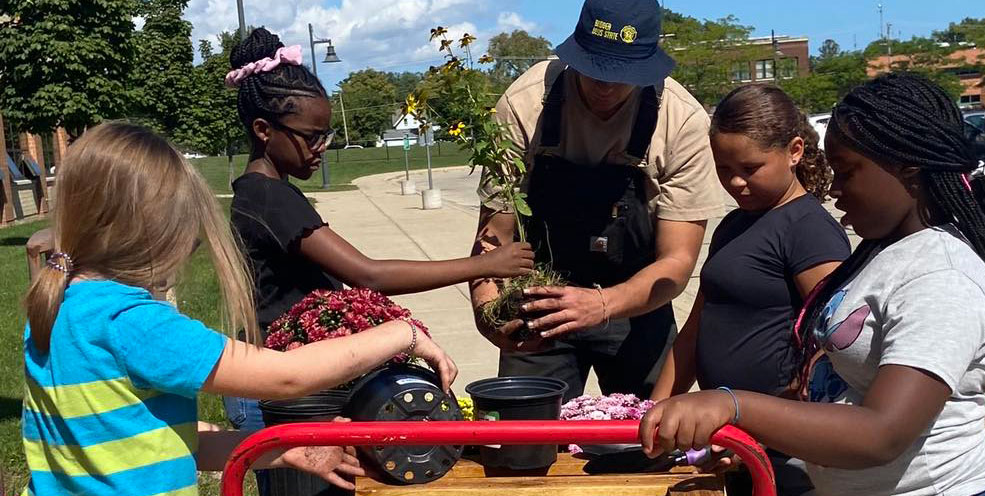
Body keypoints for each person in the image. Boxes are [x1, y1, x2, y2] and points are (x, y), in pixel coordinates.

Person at [639, 73, 985, 496]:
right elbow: (823, 379)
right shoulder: (883, 254)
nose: (834, 189)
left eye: (846, 172)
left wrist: (733, 406)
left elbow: (881, 433)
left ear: (908, 168)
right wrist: (759, 432)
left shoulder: (943, 277)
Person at [21, 122, 458, 496]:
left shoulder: (58, 308)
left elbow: (171, 442)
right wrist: (402, 333)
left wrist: (285, 448)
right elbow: (286, 375)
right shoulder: (132, 324)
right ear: (156, 234)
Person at [224, 27, 533, 462]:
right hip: (280, 392)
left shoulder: (268, 191)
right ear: (263, 129)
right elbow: (368, 274)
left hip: (286, 380)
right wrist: (483, 264)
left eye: (326, 136)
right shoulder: (268, 196)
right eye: (311, 136)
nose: (322, 149)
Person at [469, 0, 726, 400]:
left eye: (622, 74)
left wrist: (604, 303)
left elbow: (676, 262)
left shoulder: (681, 121)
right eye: (593, 69)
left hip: (637, 304)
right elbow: (493, 235)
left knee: (646, 446)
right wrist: (489, 314)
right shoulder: (526, 103)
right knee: (524, 446)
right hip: (540, 301)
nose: (605, 86)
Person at [649, 84, 850, 496]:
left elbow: (832, 354)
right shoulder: (735, 224)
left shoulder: (809, 231)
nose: (735, 182)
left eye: (751, 168)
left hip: (783, 454)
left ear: (794, 151)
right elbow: (695, 328)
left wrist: (764, 436)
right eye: (724, 169)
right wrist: (656, 412)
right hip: (730, 439)